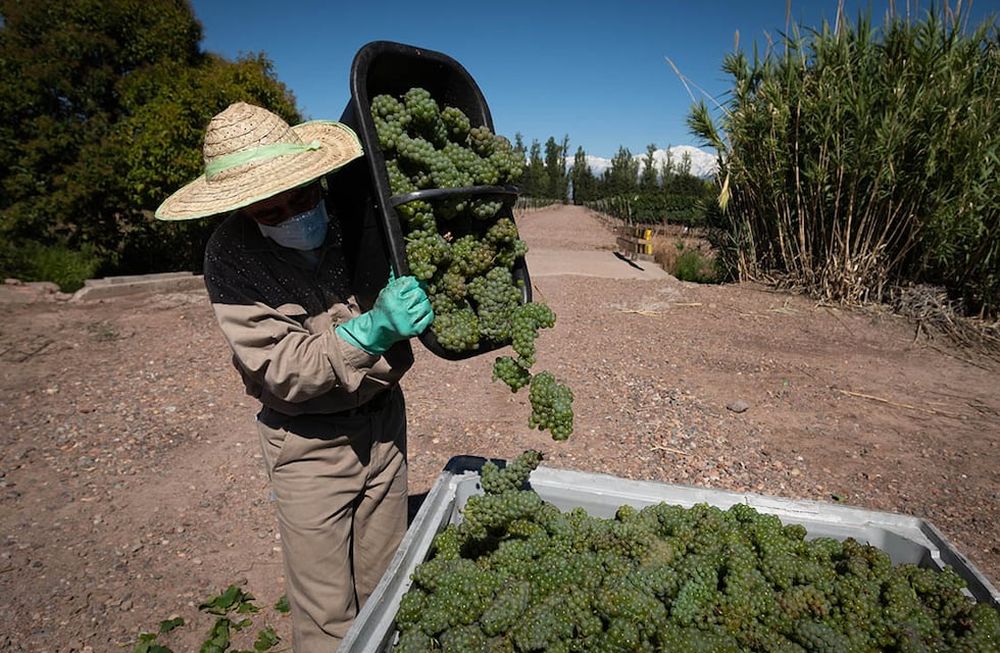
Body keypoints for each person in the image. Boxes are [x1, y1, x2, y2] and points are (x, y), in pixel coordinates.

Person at [156, 101, 433, 651]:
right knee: (327, 613)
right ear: (243, 210)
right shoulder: (230, 257)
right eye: (270, 210)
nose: (292, 214)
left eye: (302, 197)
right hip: (308, 444)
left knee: (389, 583)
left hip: (383, 424)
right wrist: (372, 329)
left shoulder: (358, 217)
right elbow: (281, 368)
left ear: (317, 178)